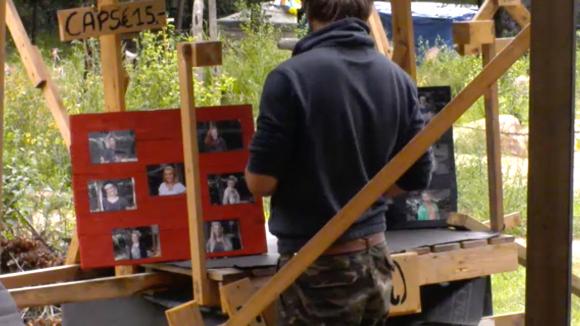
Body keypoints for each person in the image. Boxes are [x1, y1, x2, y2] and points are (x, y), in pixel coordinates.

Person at [244, 0, 433, 323]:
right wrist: (366, 196)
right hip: (375, 258)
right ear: (367, 10)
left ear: (308, 8)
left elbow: (261, 183)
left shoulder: (290, 79)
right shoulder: (397, 79)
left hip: (319, 266)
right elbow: (419, 174)